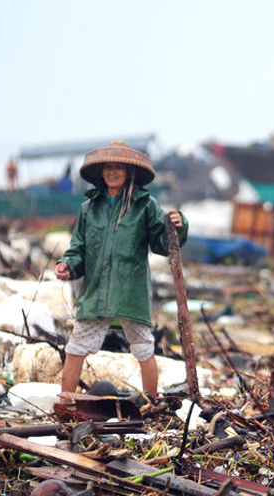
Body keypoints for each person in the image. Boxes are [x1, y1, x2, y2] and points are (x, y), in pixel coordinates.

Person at [54, 141, 188, 401]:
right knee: (76, 347)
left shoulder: (145, 206)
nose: (112, 172)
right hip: (95, 292)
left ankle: (151, 404)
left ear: (129, 172)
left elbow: (163, 244)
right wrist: (67, 265)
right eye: (108, 167)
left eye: (118, 167)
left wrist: (177, 226)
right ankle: (66, 403)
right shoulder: (88, 209)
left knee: (143, 349)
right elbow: (78, 248)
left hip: (130, 292)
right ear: (101, 172)